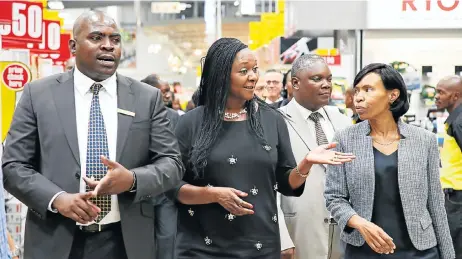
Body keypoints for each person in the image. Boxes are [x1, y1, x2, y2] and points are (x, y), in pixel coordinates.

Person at [2, 10, 184, 259]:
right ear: (73, 46)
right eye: (97, 37)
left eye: (115, 39)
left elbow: (172, 164)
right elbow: (14, 166)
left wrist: (131, 180)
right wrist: (57, 199)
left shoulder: (146, 98)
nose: (108, 46)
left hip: (125, 242)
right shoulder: (38, 95)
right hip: (55, 239)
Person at [168, 38, 355, 259]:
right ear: (221, 75)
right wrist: (212, 195)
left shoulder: (271, 119)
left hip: (260, 244)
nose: (253, 76)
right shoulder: (190, 123)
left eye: (255, 69)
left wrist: (306, 164)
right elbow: (172, 187)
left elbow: (286, 183)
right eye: (244, 71)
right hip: (202, 247)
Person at [324, 63, 455, 259]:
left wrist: (448, 255)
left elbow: (435, 203)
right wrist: (359, 222)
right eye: (358, 90)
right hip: (363, 249)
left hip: (420, 250)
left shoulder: (424, 140)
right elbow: (334, 197)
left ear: (392, 95)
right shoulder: (345, 139)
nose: (358, 97)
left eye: (368, 90)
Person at [278, 54, 351, 259]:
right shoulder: (276, 121)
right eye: (317, 79)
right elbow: (269, 183)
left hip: (342, 232)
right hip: (298, 230)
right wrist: (283, 238)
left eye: (329, 79)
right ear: (295, 83)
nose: (326, 85)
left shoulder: (342, 120)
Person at [140, 74, 180, 259]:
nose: (167, 95)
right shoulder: (132, 113)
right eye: (162, 91)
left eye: (168, 91)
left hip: (166, 190)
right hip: (138, 187)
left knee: (167, 238)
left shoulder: (174, 117)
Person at [435, 75, 462, 259]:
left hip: (457, 198)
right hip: (452, 195)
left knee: (454, 249)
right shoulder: (453, 119)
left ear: (455, 96)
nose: (436, 96)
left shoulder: (459, 122)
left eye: (441, 92)